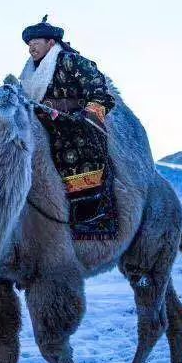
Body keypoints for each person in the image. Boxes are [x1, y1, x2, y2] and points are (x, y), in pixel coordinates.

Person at [19, 15, 118, 240]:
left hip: (75, 124)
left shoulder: (72, 61)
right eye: (29, 43)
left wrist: (84, 117)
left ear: (51, 43)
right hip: (41, 123)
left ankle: (91, 215)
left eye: (36, 41)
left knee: (74, 148)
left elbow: (100, 91)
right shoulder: (27, 74)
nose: (31, 47)